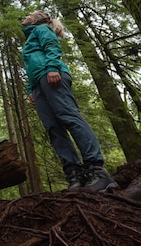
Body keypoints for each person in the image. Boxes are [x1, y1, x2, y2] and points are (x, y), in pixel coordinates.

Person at [21, 10, 117, 192]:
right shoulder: (30, 38)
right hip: (38, 84)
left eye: (28, 15)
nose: (24, 17)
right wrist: (30, 90)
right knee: (53, 128)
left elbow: (52, 47)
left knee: (69, 116)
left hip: (52, 74)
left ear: (37, 19)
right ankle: (75, 175)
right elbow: (31, 67)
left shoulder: (41, 29)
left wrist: (51, 67)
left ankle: (97, 170)